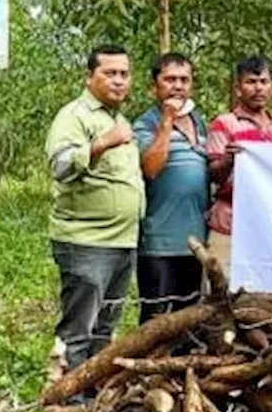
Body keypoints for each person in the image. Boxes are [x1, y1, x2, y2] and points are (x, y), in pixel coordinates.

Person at [44, 45, 144, 374]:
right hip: (86, 241)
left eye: (124, 74)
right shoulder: (74, 116)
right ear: (89, 78)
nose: (118, 81)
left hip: (122, 241)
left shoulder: (121, 120)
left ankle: (95, 393)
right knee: (79, 329)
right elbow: (60, 166)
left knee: (106, 326)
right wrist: (101, 143)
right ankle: (68, 397)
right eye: (109, 73)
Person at [133, 53, 209, 323]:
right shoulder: (145, 124)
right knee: (156, 322)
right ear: (155, 86)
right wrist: (167, 120)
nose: (177, 86)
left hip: (196, 244)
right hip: (159, 243)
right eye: (170, 79)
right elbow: (151, 168)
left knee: (187, 322)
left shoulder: (200, 122)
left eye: (184, 80)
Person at [207, 55, 272, 266]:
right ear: (238, 88)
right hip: (228, 225)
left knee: (262, 298)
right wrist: (228, 159)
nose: (258, 88)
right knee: (221, 292)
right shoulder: (225, 123)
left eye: (263, 82)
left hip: (267, 227)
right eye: (251, 82)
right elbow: (213, 174)